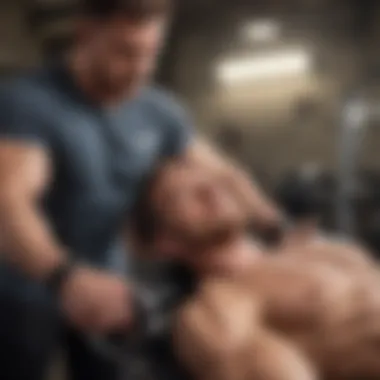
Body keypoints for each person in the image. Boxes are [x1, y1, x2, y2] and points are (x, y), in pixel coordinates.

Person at [0, 0, 281, 379]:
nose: (139, 69)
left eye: (151, 54)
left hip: (107, 270)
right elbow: (10, 201)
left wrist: (276, 227)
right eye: (124, 52)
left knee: (112, 370)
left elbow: (223, 172)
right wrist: (62, 276)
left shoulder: (158, 110)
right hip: (28, 278)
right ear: (85, 34)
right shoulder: (31, 103)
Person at [132, 159, 380, 380]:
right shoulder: (215, 310)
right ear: (165, 243)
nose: (209, 190)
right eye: (178, 195)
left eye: (208, 179)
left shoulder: (329, 252)